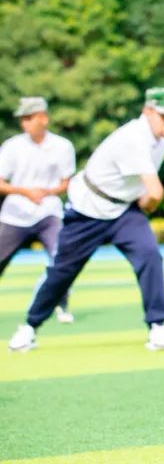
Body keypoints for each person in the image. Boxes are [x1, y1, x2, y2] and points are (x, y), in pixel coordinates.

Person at [8, 88, 164, 352]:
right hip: (87, 211)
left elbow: (146, 190)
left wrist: (141, 206)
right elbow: (155, 192)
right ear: (147, 112)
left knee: (149, 256)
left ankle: (157, 327)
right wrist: (147, 205)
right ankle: (29, 327)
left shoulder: (160, 140)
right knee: (62, 271)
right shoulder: (134, 138)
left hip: (123, 210)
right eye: (163, 116)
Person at [0, 97, 77, 323]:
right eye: (22, 119)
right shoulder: (12, 146)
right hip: (15, 214)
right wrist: (25, 192)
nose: (24, 123)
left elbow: (66, 182)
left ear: (43, 118)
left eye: (29, 118)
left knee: (62, 258)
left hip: (48, 213)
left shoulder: (63, 146)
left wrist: (49, 192)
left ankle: (61, 305)